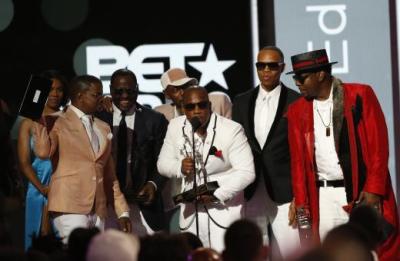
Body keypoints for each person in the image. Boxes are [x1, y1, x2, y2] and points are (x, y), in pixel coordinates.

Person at [286, 49, 399, 261]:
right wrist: (302, 207)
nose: (297, 83)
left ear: (320, 74)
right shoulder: (296, 111)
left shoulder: (359, 95)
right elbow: (298, 165)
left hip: (360, 193)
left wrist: (373, 191)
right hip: (323, 196)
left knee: (368, 252)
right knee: (328, 253)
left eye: (302, 78)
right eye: (295, 78)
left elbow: (379, 149)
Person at [33, 75, 130, 243]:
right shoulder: (57, 121)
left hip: (98, 209)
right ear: (79, 96)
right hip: (69, 205)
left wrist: (122, 211)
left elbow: (109, 174)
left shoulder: (103, 126)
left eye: (101, 94)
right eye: (95, 95)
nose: (101, 99)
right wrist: (39, 121)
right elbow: (43, 152)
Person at [157, 87, 255, 251]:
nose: (197, 111)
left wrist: (216, 194)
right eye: (190, 107)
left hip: (224, 213)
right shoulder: (175, 127)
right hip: (191, 214)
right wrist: (179, 167)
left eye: (201, 105)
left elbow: (247, 172)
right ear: (183, 108)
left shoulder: (231, 129)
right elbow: (162, 164)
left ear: (209, 106)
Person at [232, 46, 300, 258]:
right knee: (252, 251)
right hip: (251, 189)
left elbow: (301, 151)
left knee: (292, 249)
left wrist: (300, 193)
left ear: (282, 67)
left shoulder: (296, 101)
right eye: (261, 65)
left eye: (272, 65)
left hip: (285, 190)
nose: (266, 70)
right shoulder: (241, 101)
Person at [96, 69, 168, 236]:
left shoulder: (155, 120)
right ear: (110, 89)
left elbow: (163, 160)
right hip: (105, 203)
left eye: (130, 90)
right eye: (119, 91)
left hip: (142, 204)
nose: (124, 96)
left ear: (137, 88)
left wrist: (153, 184)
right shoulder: (96, 117)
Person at [17, 70, 68, 249]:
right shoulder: (28, 122)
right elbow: (23, 162)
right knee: (36, 241)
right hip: (38, 188)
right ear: (40, 91)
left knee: (63, 241)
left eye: (59, 89)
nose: (55, 94)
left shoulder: (70, 118)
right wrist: (42, 188)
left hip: (65, 185)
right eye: (50, 89)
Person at [155, 68, 232, 121]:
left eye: (186, 86)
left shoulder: (219, 102)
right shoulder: (161, 115)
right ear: (167, 95)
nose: (183, 92)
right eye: (176, 89)